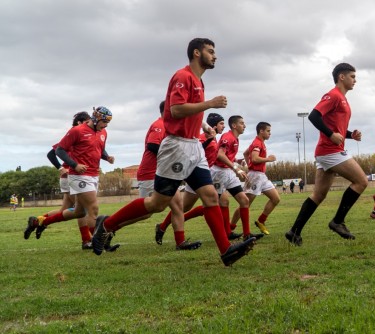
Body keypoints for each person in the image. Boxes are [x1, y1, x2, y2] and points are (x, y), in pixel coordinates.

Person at [91, 38, 255, 266]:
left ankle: (226, 251)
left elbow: (190, 114)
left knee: (209, 196)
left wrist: (205, 127)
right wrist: (209, 104)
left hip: (193, 147)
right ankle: (106, 226)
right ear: (197, 53)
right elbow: (176, 110)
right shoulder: (183, 76)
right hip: (176, 147)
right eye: (210, 51)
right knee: (157, 204)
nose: (215, 56)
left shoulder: (198, 80)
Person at [285, 63, 367, 246]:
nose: (355, 80)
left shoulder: (343, 99)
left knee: (318, 195)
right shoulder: (333, 95)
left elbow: (336, 128)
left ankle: (293, 232)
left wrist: (349, 135)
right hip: (330, 151)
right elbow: (314, 116)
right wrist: (331, 135)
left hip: (326, 151)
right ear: (342, 77)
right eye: (353, 76)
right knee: (361, 181)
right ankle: (337, 221)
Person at [109, 101, 198, 250]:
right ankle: (108, 227)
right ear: (169, 111)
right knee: (146, 213)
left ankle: (180, 242)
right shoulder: (160, 124)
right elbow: (152, 145)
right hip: (150, 173)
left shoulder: (170, 127)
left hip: (165, 173)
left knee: (177, 206)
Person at [24, 107, 116, 247]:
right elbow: (56, 151)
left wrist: (107, 157)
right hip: (75, 175)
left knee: (77, 211)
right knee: (91, 208)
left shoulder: (103, 132)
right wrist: (69, 166)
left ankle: (39, 221)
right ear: (95, 118)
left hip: (92, 174)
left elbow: (99, 149)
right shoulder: (76, 131)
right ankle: (94, 240)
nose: (106, 125)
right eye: (104, 121)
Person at [154, 112, 244, 244]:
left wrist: (235, 160)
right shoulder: (204, 137)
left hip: (206, 175)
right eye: (221, 123)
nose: (223, 126)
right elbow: (194, 150)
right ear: (213, 125)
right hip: (196, 175)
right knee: (184, 207)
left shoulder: (215, 140)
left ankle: (226, 234)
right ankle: (162, 227)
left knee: (223, 200)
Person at [37, 111, 100, 249]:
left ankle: (37, 221)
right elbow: (52, 153)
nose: (89, 124)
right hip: (72, 176)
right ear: (80, 122)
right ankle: (87, 241)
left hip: (74, 176)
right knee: (81, 210)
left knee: (66, 210)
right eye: (87, 121)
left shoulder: (87, 133)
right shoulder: (75, 132)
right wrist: (60, 167)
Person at [209, 115, 264, 241]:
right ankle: (179, 219)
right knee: (210, 205)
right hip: (218, 173)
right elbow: (220, 155)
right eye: (242, 123)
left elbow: (227, 156)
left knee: (244, 200)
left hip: (227, 172)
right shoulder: (228, 137)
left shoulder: (235, 138)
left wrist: (237, 161)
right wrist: (236, 168)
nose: (244, 126)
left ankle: (246, 234)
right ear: (234, 125)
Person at [229, 121, 281, 235]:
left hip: (261, 176)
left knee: (276, 199)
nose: (269, 134)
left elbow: (246, 153)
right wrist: (268, 159)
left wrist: (248, 166)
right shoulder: (257, 143)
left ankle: (261, 221)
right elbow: (255, 158)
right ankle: (230, 228)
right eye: (268, 131)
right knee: (245, 203)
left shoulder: (259, 142)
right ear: (261, 131)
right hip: (255, 176)